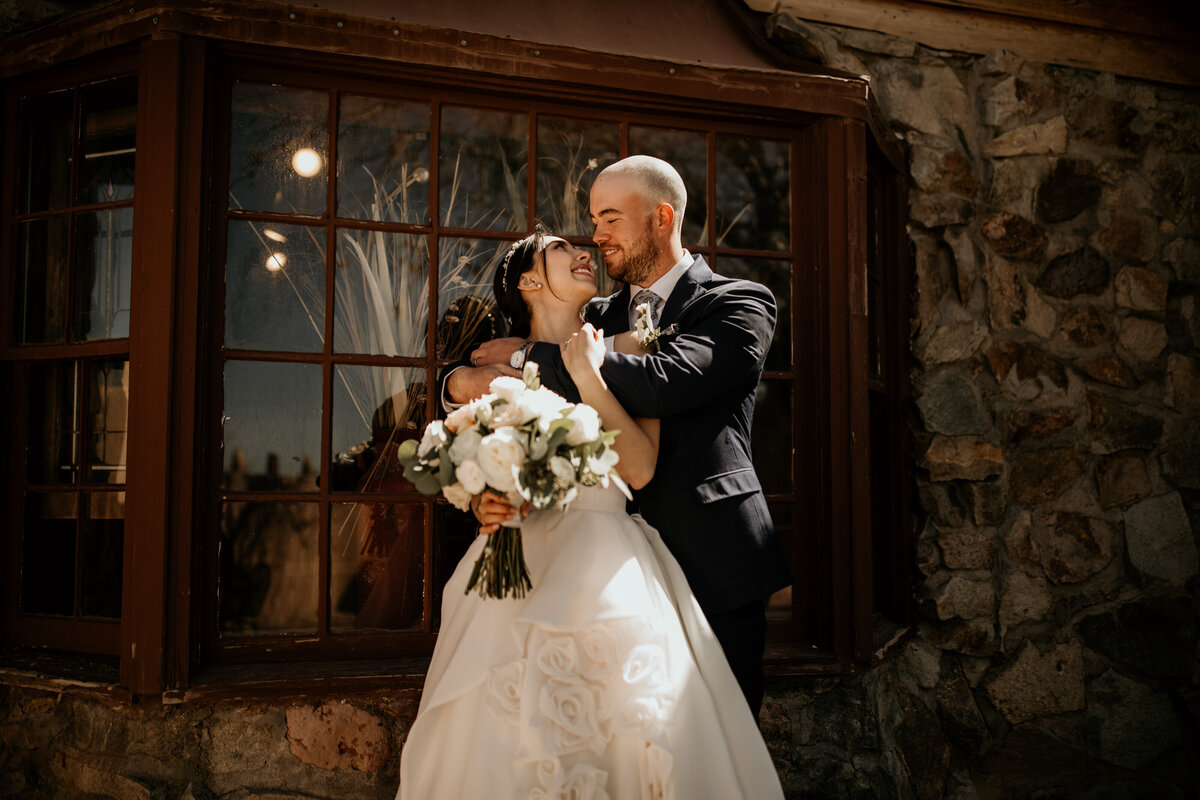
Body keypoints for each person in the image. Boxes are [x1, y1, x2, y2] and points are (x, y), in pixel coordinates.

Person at [398, 229, 784, 799]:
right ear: (529, 281)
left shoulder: (631, 348)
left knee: (627, 727)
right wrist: (486, 490)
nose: (586, 253)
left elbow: (641, 469)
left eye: (588, 242)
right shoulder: (486, 378)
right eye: (561, 250)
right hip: (516, 564)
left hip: (612, 563)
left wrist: (588, 374)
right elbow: (457, 442)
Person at [445, 155, 792, 718]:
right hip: (602, 571)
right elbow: (502, 355)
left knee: (718, 738)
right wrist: (461, 382)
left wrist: (528, 358)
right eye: (593, 218)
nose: (596, 235)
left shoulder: (738, 303)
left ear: (661, 218)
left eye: (610, 218)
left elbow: (666, 382)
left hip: (710, 556)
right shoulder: (595, 314)